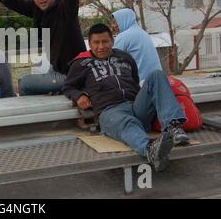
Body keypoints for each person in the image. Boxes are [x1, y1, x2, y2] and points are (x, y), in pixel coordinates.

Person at [63, 23, 189, 171]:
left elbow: (135, 81)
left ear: (112, 41)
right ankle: (150, 149)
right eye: (96, 42)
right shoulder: (81, 64)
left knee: (157, 75)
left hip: (135, 105)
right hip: (110, 111)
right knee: (127, 122)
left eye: (105, 41)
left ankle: (174, 127)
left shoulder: (125, 57)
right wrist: (79, 96)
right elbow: (68, 87)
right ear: (90, 44)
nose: (101, 46)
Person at [0, 0, 86, 95]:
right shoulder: (38, 9)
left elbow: (71, 2)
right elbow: (21, 5)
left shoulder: (64, 9)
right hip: (57, 68)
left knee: (24, 83)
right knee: (42, 74)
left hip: (73, 75)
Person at [111, 8, 162, 81]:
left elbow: (113, 60)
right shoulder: (142, 32)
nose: (113, 26)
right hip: (157, 78)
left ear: (124, 20)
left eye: (115, 22)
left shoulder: (124, 36)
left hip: (142, 82)